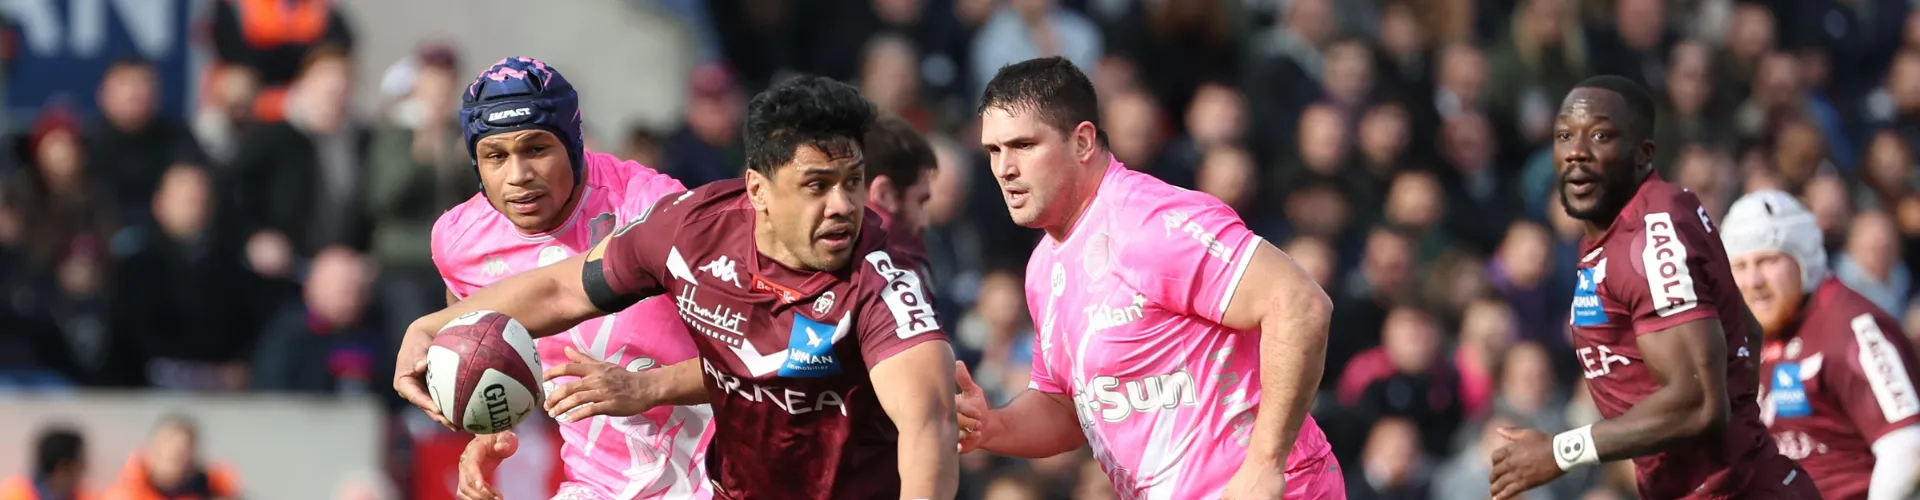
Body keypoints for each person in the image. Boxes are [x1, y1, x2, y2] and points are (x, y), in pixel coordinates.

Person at [394, 75, 959, 500]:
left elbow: (928, 430)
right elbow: (556, 294)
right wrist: (432, 333)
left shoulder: (881, 284)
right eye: (817, 185)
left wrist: (648, 388)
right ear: (757, 189)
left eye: (851, 183)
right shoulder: (686, 229)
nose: (841, 206)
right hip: (615, 478)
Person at [954, 56, 1342, 499]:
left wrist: (1265, 465)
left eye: (1023, 145)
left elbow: (1299, 303)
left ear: (1082, 141)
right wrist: (992, 426)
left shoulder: (1149, 222)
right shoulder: (1044, 266)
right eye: (994, 150)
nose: (1005, 168)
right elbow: (1070, 408)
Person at [1487, 75, 1816, 499]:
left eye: (1601, 135)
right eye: (1565, 135)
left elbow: (1699, 400)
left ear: (1642, 154)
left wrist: (1560, 451)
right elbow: (1746, 332)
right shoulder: (1621, 229)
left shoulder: (1649, 234)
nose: (1577, 152)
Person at [425, 56, 712, 500]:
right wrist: (487, 431)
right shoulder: (459, 245)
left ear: (574, 144)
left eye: (537, 149)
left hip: (721, 472)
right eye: (495, 156)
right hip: (598, 486)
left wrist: (647, 387)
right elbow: (492, 362)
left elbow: (760, 359)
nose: (518, 176)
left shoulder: (653, 208)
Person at [1721, 190, 1920, 500]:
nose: (1754, 280)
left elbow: (1906, 447)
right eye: (1741, 266)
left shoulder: (1855, 329)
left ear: (1805, 259)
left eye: (1768, 260)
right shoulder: (1741, 340)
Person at [0, 426, 88, 500]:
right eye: (80, 463)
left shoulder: (83, 494)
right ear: (62, 467)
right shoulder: (15, 494)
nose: (84, 468)